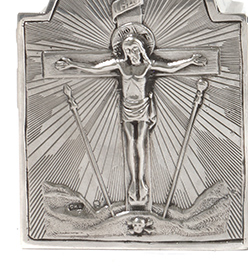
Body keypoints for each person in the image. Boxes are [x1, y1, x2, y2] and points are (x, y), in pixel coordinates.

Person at [56, 25, 207, 207]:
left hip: (142, 108)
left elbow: (170, 67)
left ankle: (140, 181)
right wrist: (72, 64)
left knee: (140, 142)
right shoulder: (121, 65)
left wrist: (191, 60)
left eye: (134, 49)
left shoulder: (147, 65)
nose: (132, 53)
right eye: (128, 50)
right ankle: (134, 181)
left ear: (141, 49)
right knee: (130, 142)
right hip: (127, 108)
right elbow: (96, 68)